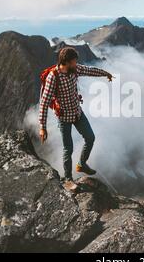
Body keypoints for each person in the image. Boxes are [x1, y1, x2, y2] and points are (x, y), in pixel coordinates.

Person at [39, 47, 113, 181]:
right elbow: (44, 103)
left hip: (77, 112)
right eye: (74, 61)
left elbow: (90, 70)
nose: (76, 63)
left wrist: (105, 73)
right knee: (68, 148)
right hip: (64, 117)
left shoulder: (75, 69)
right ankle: (68, 179)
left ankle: (81, 164)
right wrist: (42, 127)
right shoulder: (53, 77)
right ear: (66, 62)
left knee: (90, 138)